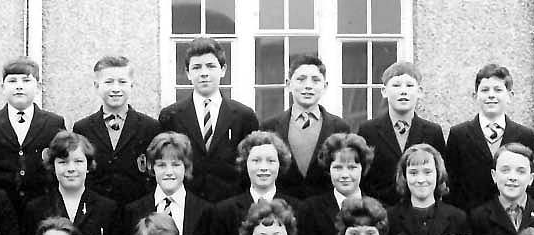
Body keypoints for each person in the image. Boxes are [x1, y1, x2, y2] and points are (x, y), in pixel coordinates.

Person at [159, 37, 260, 202]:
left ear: (223, 70)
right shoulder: (171, 116)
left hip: (230, 206)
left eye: (211, 66)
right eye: (197, 67)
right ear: (188, 72)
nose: (204, 73)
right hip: (188, 206)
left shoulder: (244, 116)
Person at [21, 132, 120, 235]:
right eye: (63, 162)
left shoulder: (107, 209)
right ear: (53, 166)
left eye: (78, 161)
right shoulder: (36, 209)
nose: (71, 168)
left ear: (88, 165)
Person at [0, 57, 67, 214]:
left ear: (38, 86)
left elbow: (62, 161)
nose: (19, 86)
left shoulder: (54, 122)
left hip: (42, 204)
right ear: (2, 87)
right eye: (12, 81)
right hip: (0, 205)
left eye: (26, 81)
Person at [208, 131, 300, 235]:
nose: (263, 167)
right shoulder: (224, 211)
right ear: (245, 163)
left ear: (280, 164)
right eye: (256, 161)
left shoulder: (298, 209)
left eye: (270, 161)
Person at [122, 132, 213, 235]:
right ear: (151, 167)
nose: (169, 172)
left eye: (176, 164)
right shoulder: (134, 211)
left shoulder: (205, 211)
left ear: (186, 166)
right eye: (162, 165)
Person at [445, 64, 534, 212]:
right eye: (485, 90)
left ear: (510, 96)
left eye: (498, 90)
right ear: (475, 96)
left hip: (511, 217)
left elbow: (531, 185)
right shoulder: (459, 134)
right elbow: (452, 185)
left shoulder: (524, 135)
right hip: (470, 219)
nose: (491, 95)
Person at [73, 55, 161, 205]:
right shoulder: (83, 128)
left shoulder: (150, 127)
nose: (115, 88)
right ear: (96, 86)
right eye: (108, 82)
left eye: (122, 82)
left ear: (131, 85)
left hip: (137, 209)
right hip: (97, 210)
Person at [260, 55, 350, 199]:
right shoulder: (269, 127)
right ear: (288, 84)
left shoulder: (340, 127)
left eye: (315, 80)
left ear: (325, 86)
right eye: (301, 79)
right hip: (282, 209)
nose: (308, 86)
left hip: (324, 211)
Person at [357, 61, 446, 207]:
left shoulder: (432, 132)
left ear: (420, 91)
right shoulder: (368, 130)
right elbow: (363, 178)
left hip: (420, 211)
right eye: (396, 85)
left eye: (410, 86)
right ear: (384, 91)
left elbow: (441, 176)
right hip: (380, 212)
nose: (403, 91)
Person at [297, 133, 373, 235]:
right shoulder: (309, 210)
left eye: (352, 167)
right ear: (328, 169)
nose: (345, 175)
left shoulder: (378, 210)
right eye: (338, 168)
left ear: (362, 168)